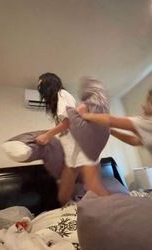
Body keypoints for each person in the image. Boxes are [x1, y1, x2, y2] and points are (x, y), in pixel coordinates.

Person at [80, 82, 152, 209]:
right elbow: (133, 141)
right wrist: (110, 130)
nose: (142, 105)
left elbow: (112, 120)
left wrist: (85, 115)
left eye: (147, 100)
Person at [36, 72, 110, 205]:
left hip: (83, 147)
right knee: (63, 196)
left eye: (40, 83)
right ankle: (74, 211)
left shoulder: (62, 94)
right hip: (73, 150)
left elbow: (68, 121)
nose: (38, 87)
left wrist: (47, 135)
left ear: (48, 83)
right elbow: (64, 125)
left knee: (94, 188)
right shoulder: (58, 100)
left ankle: (117, 212)